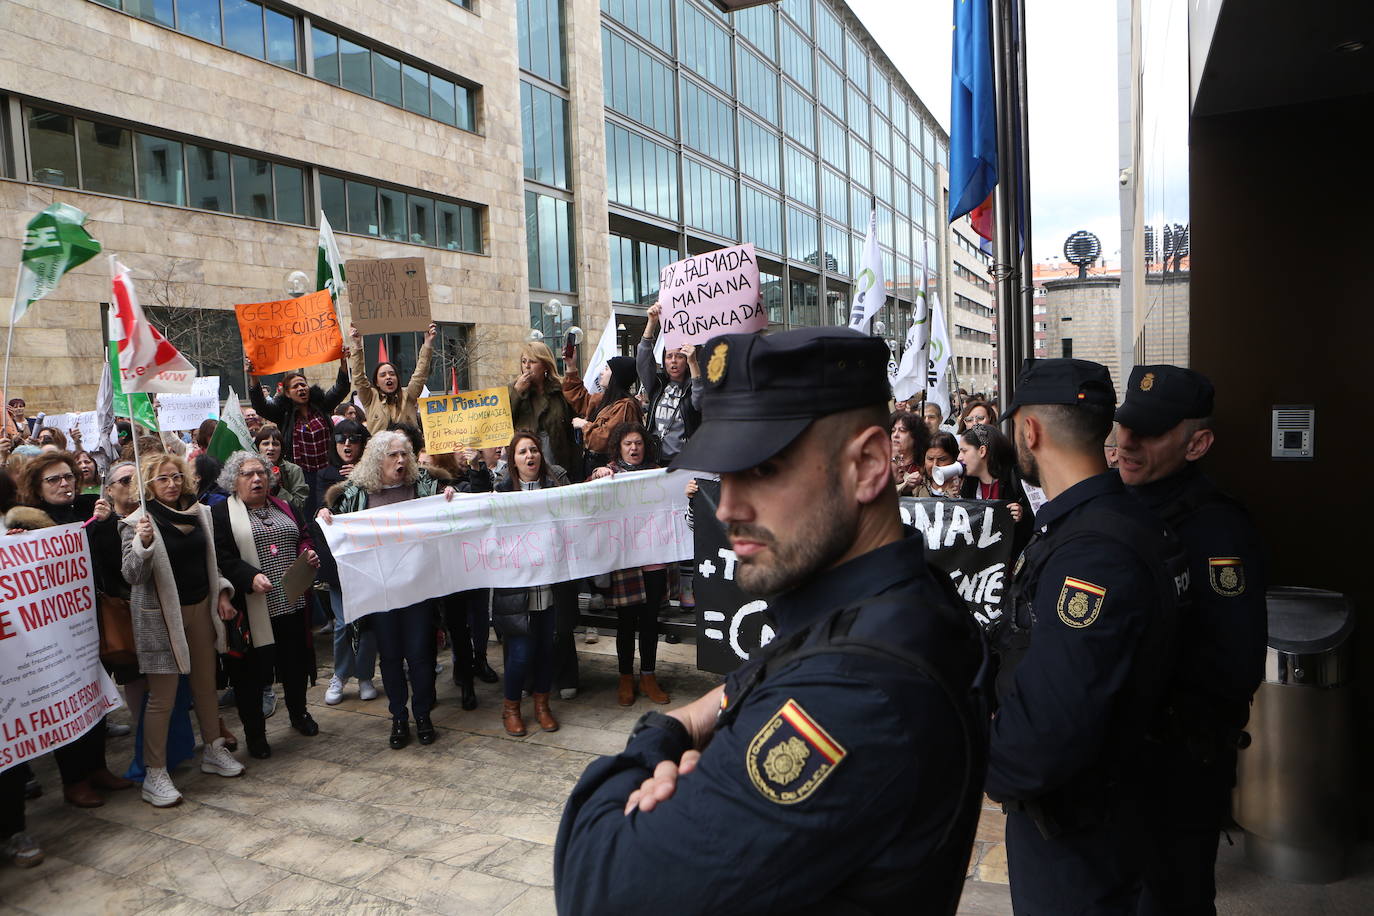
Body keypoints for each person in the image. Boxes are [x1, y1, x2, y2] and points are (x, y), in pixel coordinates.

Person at [554, 328, 989, 914]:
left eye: (762, 469)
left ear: (868, 464)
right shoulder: (867, 605)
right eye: (724, 473)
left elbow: (601, 887)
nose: (727, 507)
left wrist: (660, 736)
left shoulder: (855, 687)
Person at [986, 358, 1187, 915]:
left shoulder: (1092, 551)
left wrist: (984, 757)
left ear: (1029, 430)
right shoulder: (1107, 522)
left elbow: (1045, 739)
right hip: (1105, 811)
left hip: (1079, 830)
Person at [1114, 365, 1267, 916]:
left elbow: (1236, 660)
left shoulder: (1215, 529)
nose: (1126, 441)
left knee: (1173, 898)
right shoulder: (1118, 506)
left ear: (1197, 443)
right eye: (1125, 426)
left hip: (1178, 763)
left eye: (1149, 432)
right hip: (1120, 762)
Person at [315, 431, 458, 749]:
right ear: (377, 460)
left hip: (418, 589)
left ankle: (422, 715)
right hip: (380, 593)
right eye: (393, 454)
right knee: (391, 658)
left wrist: (450, 494)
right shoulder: (357, 494)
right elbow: (335, 523)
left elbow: (450, 507)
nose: (401, 460)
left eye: (404, 454)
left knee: (420, 656)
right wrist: (327, 515)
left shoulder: (424, 488)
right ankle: (398, 717)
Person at [120, 453, 245, 807]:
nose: (172, 484)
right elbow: (132, 576)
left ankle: (213, 749)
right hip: (160, 620)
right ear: (148, 485)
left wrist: (221, 589)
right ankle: (154, 772)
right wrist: (142, 544)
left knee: (206, 686)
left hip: (201, 611)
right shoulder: (136, 523)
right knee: (162, 698)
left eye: (176, 477)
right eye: (163, 479)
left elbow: (211, 562)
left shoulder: (199, 514)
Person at [15, 453, 133, 808]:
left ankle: (97, 767)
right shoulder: (25, 524)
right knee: (69, 701)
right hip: (58, 631)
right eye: (54, 480)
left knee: (96, 696)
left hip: (95, 617)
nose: (65, 483)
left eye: (68, 477)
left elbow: (113, 563)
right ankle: (74, 779)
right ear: (37, 486)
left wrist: (107, 526)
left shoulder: (89, 509)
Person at [212, 451, 321, 758]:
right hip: (252, 610)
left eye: (261, 473)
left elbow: (303, 536)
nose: (257, 479)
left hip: (293, 603)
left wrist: (308, 552)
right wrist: (249, 577)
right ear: (233, 481)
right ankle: (256, 735)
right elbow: (221, 558)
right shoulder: (221, 514)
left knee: (295, 666)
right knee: (250, 677)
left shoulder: (285, 505)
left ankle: (299, 714)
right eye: (247, 474)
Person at [490, 431, 571, 735]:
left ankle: (542, 706)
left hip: (548, 588)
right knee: (521, 652)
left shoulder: (556, 489)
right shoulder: (501, 493)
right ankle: (511, 708)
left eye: (534, 450)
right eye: (523, 452)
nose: (530, 456)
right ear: (513, 460)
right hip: (516, 589)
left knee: (546, 650)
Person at [589, 422, 671, 706]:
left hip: (653, 561)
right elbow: (588, 502)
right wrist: (596, 477)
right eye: (628, 444)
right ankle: (625, 677)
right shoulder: (608, 474)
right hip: (624, 563)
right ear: (619, 447)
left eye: (638, 443)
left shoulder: (656, 474)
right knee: (625, 623)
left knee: (650, 621)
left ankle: (648, 676)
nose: (634, 448)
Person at [313, 419, 379, 706]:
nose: (347, 446)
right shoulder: (324, 474)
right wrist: (324, 510)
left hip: (367, 560)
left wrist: (361, 478)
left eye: (353, 440)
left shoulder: (374, 475)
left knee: (366, 624)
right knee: (342, 623)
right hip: (339, 563)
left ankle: (364, 675)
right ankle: (340, 675)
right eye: (342, 440)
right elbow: (319, 511)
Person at [245, 352, 351, 513]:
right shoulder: (283, 414)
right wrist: (254, 377)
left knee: (331, 512)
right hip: (302, 475)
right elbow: (260, 406)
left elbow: (341, 389)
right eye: (295, 386)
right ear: (287, 393)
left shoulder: (321, 406)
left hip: (327, 471)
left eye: (303, 384)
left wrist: (343, 361)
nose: (301, 388)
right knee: (307, 515)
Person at [637, 304, 704, 462]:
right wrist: (652, 322)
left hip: (685, 461)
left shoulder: (694, 385)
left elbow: (699, 402)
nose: (673, 361)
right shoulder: (658, 385)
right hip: (656, 460)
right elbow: (642, 361)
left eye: (679, 356)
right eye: (669, 356)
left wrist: (694, 363)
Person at [508, 339, 580, 478]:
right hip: (527, 459)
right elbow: (503, 421)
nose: (527, 366)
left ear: (545, 365)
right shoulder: (513, 388)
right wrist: (517, 393)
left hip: (557, 456)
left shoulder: (559, 389)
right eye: (524, 361)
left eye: (533, 362)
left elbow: (573, 427)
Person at [348, 323, 436, 434]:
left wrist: (428, 343)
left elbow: (420, 375)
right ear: (377, 382)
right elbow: (358, 377)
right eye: (383, 375)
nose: (388, 377)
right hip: (379, 450)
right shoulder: (370, 398)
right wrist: (357, 346)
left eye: (391, 374)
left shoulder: (408, 396)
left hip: (408, 450)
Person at [563, 353, 643, 475]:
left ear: (616, 376)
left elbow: (604, 439)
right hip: (592, 463)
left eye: (606, 369)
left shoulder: (625, 407)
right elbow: (578, 397)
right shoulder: (604, 400)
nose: (602, 373)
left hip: (606, 468)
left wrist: (584, 425)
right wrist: (571, 366)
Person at [958, 424, 1028, 527]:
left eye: (964, 451)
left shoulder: (1015, 478)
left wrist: (1023, 514)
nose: (959, 457)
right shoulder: (969, 484)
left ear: (982, 451)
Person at [253, 425, 308, 517]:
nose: (271, 448)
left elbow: (299, 506)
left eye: (275, 444)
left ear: (281, 448)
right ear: (258, 448)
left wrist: (276, 488)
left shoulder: (294, 470)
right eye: (266, 444)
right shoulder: (250, 470)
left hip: (287, 518)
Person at [912, 430, 963, 498]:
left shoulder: (965, 486)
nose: (934, 465)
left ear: (954, 458)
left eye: (942, 459)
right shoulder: (917, 485)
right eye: (930, 459)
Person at [890, 410, 931, 496]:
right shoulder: (884, 463)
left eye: (902, 430)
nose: (895, 435)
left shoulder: (926, 465)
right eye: (893, 430)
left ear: (915, 436)